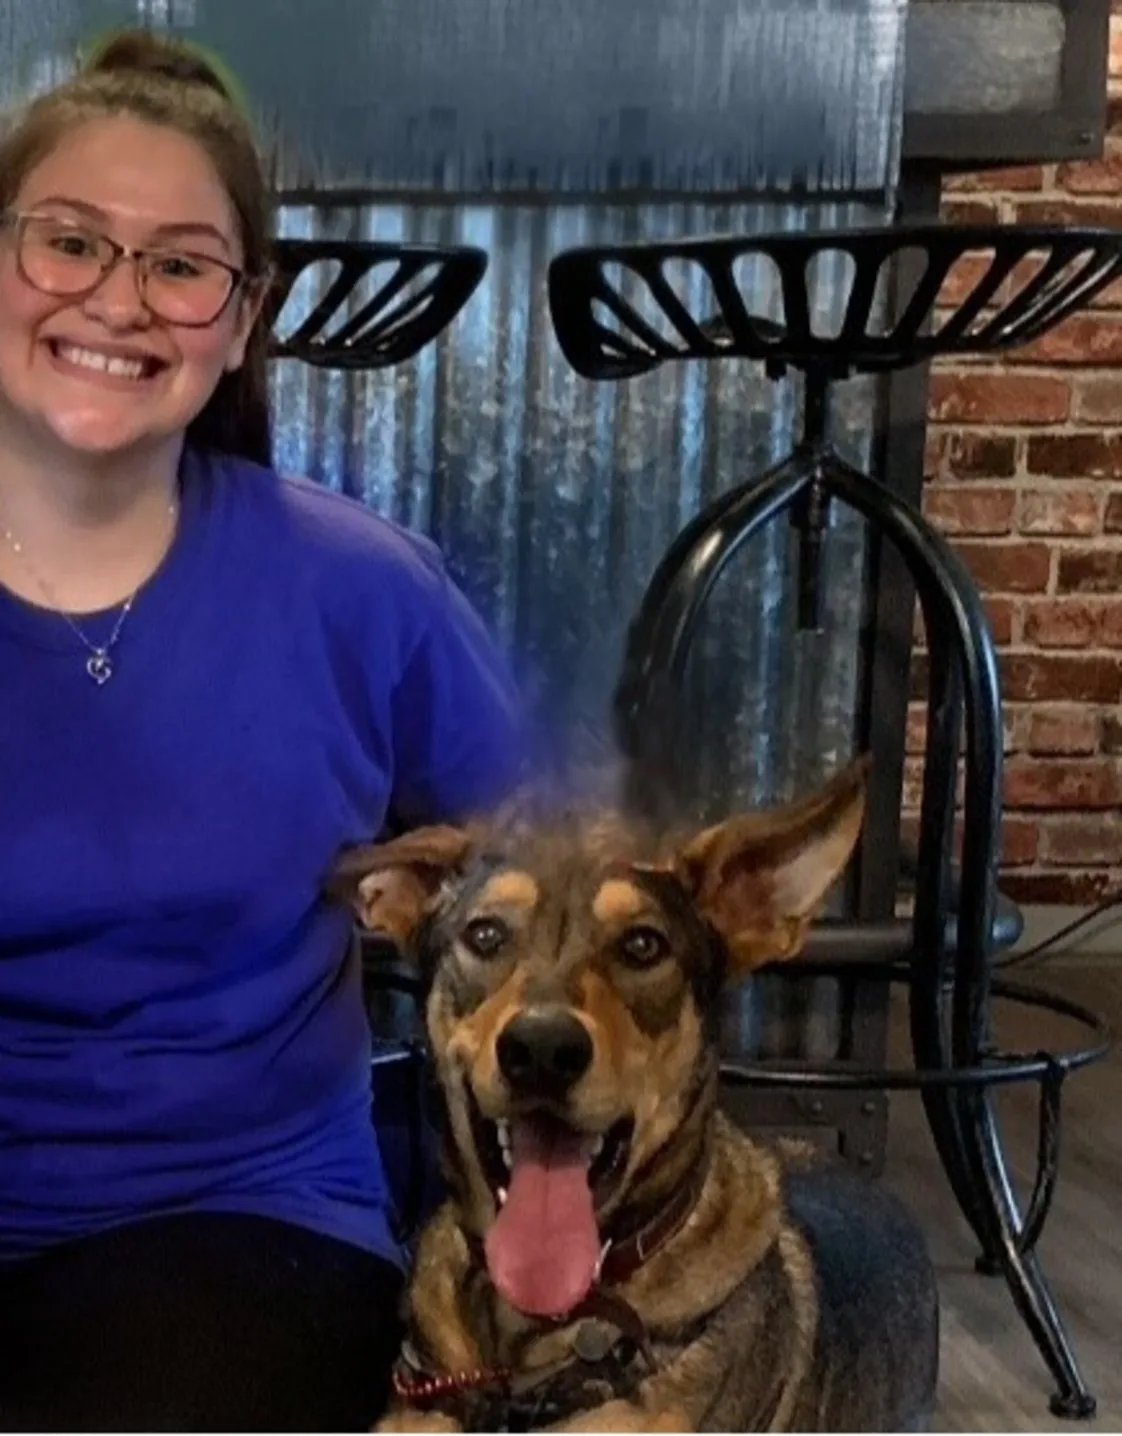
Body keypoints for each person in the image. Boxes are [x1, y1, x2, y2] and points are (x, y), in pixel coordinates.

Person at [0, 29, 530, 1432]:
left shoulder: (358, 590)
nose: (119, 299)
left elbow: (562, 870)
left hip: (235, 1215)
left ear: (239, 318)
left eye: (179, 263)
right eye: (67, 241)